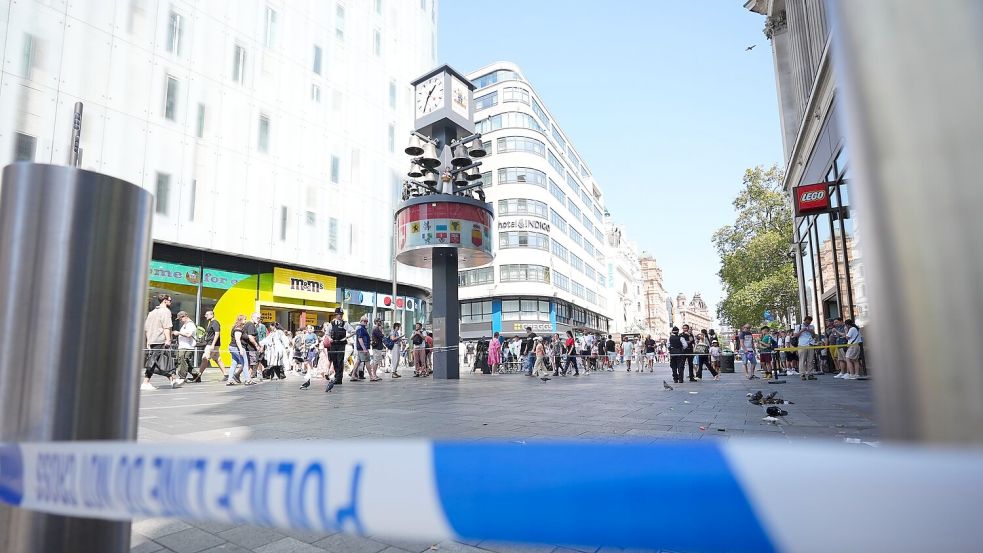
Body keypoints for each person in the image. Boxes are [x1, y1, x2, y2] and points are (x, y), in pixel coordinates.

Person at [142, 294, 182, 390]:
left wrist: (148, 340)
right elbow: (167, 326)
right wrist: (168, 339)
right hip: (160, 339)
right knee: (155, 361)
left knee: (162, 360)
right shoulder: (166, 311)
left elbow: (146, 328)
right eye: (170, 300)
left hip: (152, 340)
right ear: (164, 300)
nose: (170, 302)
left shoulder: (152, 312)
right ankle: (145, 382)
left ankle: (173, 380)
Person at [196, 310, 225, 382]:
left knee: (205, 358)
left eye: (207, 314)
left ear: (212, 315)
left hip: (211, 344)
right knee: (217, 359)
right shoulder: (210, 323)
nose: (205, 316)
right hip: (212, 343)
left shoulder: (215, 323)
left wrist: (212, 345)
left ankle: (198, 375)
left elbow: (217, 333)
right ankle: (226, 374)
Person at [227, 315, 252, 386]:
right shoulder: (238, 328)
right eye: (244, 319)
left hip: (232, 347)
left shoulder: (236, 327)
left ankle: (229, 380)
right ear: (240, 320)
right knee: (244, 363)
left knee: (234, 363)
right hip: (237, 348)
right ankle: (248, 380)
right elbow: (237, 340)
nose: (246, 320)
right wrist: (241, 349)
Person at [172, 311, 197, 382]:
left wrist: (178, 333)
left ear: (184, 316)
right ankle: (196, 374)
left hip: (187, 346)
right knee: (185, 361)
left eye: (180, 318)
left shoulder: (190, 325)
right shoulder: (185, 325)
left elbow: (189, 334)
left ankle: (182, 377)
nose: (180, 320)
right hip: (183, 346)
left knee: (182, 360)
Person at [240, 312, 263, 383]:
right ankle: (248, 379)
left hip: (249, 347)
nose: (259, 320)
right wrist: (256, 345)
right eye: (257, 318)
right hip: (251, 348)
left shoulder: (248, 324)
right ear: (252, 317)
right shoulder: (251, 325)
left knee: (249, 364)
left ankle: (242, 377)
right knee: (252, 364)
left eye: (259, 318)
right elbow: (250, 337)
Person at [793, 316, 817, 380]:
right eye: (807, 322)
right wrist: (801, 331)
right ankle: (802, 374)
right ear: (804, 320)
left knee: (811, 360)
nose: (808, 323)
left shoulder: (812, 326)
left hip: (810, 344)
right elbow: (795, 335)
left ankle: (810, 373)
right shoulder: (799, 326)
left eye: (809, 322)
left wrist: (811, 331)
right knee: (802, 360)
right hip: (802, 344)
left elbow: (814, 336)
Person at [351, 315, 370, 382]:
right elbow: (360, 339)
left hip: (361, 348)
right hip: (362, 348)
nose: (366, 322)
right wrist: (364, 348)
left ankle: (353, 375)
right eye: (364, 321)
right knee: (367, 361)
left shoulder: (362, 328)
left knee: (358, 362)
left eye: (367, 321)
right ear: (361, 321)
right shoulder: (361, 328)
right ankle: (371, 376)